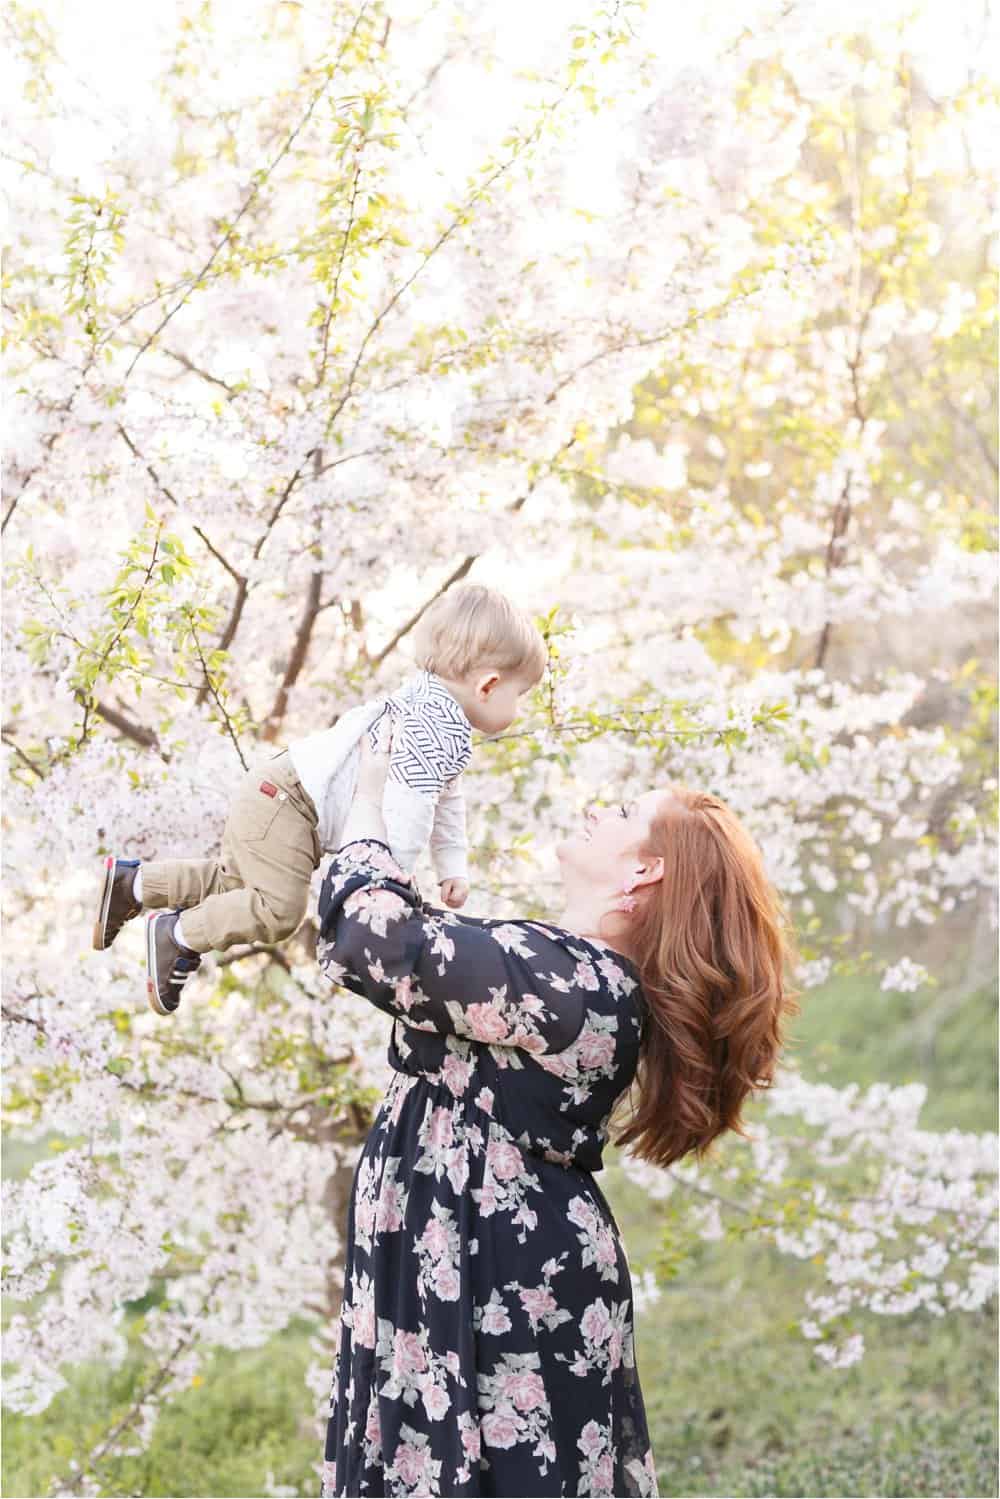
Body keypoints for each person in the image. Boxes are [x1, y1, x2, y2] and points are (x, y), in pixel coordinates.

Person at [316, 719, 797, 1497]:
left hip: (494, 1273)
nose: (599, 809)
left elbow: (373, 944)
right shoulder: (570, 973)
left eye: (624, 813)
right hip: (479, 1258)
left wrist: (371, 808)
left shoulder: (572, 980)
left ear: (645, 870)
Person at [91, 584, 546, 1015]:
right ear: (487, 685)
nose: (519, 707)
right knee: (277, 912)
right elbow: (408, 812)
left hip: (278, 794)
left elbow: (445, 799)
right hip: (289, 804)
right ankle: (179, 935)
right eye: (519, 694)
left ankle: (133, 886)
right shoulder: (428, 727)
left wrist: (452, 865)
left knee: (236, 888)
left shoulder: (435, 716)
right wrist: (391, 885)